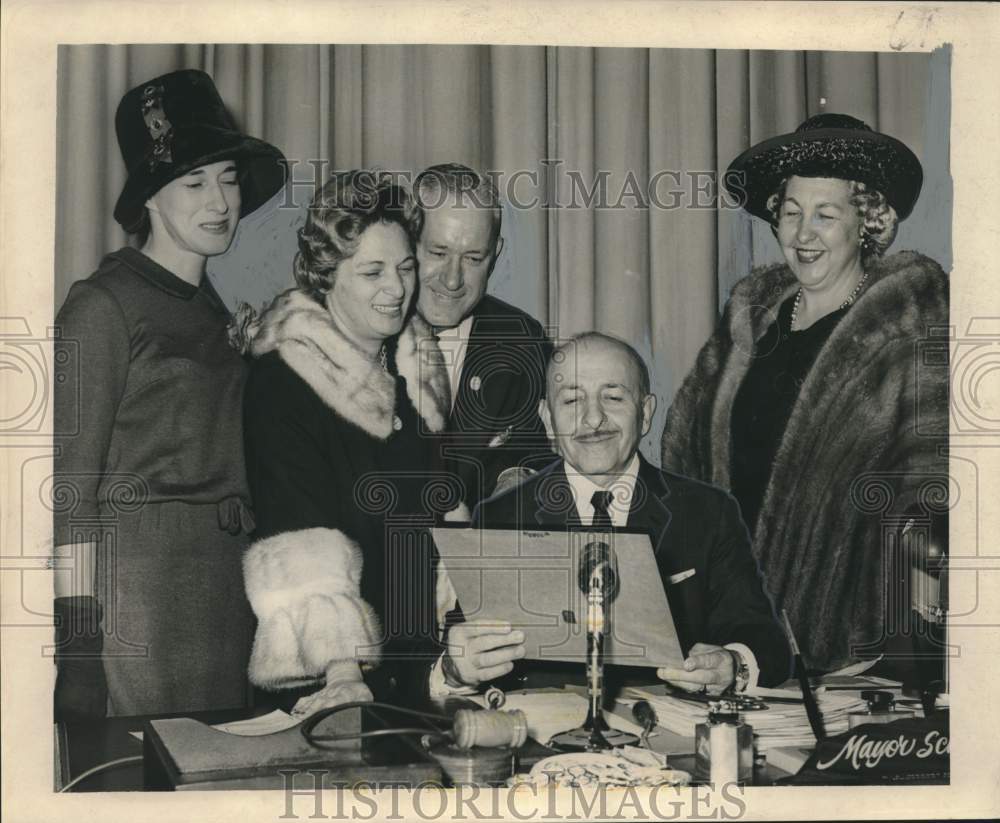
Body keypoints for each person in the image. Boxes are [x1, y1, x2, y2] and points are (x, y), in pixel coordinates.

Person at [660, 114, 950, 671]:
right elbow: (685, 462)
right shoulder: (748, 323)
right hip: (732, 631)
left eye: (825, 215)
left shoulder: (908, 327)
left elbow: (934, 493)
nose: (802, 234)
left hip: (851, 642)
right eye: (791, 213)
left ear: (867, 223)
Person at [52, 69, 286, 717]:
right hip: (142, 601)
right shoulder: (103, 305)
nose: (220, 200)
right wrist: (77, 651)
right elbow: (69, 492)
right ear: (151, 195)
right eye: (194, 181)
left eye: (229, 178)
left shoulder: (215, 310)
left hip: (224, 596)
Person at [435, 333, 791, 697]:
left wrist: (732, 664)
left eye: (614, 397)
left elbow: (764, 642)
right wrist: (457, 669)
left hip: (668, 739)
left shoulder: (707, 512)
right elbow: (460, 648)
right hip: (543, 741)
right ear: (547, 419)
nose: (593, 419)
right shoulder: (501, 518)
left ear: (646, 412)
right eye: (572, 399)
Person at [240, 170, 455, 716]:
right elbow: (299, 533)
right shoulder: (284, 380)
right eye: (373, 272)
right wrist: (343, 675)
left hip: (415, 663)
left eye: (406, 268)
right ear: (326, 275)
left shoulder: (414, 369)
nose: (397, 289)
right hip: (331, 678)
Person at [414, 164, 553, 510]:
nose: (452, 280)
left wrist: (517, 481)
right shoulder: (359, 327)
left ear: (495, 255)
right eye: (438, 253)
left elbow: (536, 453)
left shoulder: (520, 338)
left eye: (473, 258)